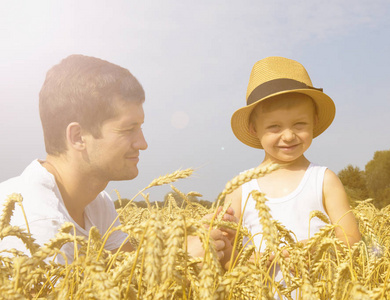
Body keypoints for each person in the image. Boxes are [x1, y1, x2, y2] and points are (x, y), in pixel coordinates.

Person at [0, 54, 234, 265]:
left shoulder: (96, 203)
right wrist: (177, 262)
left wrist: (189, 238)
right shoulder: (38, 224)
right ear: (78, 136)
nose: (143, 143)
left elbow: (129, 269)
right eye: (128, 129)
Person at [225, 56, 361, 296]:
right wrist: (249, 262)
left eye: (299, 124)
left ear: (314, 122)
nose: (288, 136)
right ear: (254, 129)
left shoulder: (324, 180)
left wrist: (319, 248)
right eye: (274, 127)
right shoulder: (241, 188)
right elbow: (226, 255)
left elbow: (352, 240)